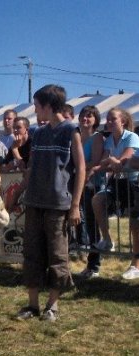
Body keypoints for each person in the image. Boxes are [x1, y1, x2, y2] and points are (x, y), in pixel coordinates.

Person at [7, 84, 85, 321]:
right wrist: (18, 193)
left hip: (58, 205)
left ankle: (52, 306)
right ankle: (32, 306)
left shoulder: (72, 130)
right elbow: (31, 169)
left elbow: (81, 168)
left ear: (48, 106)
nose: (34, 109)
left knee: (57, 256)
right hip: (34, 203)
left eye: (37, 105)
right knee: (31, 254)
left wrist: (75, 206)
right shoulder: (39, 134)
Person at [89, 108, 139, 279]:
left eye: (113, 119)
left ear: (123, 121)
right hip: (117, 182)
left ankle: (135, 264)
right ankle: (107, 240)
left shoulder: (132, 137)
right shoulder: (109, 139)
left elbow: (120, 162)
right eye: (108, 119)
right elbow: (105, 163)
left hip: (133, 183)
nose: (109, 121)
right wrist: (92, 169)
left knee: (135, 224)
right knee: (97, 200)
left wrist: (110, 161)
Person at [77, 105, 106, 279]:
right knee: (83, 226)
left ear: (95, 120)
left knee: (92, 226)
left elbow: (95, 162)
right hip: (77, 186)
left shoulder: (97, 138)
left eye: (89, 116)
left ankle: (94, 265)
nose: (85, 119)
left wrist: (80, 170)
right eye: (83, 115)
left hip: (92, 187)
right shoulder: (77, 137)